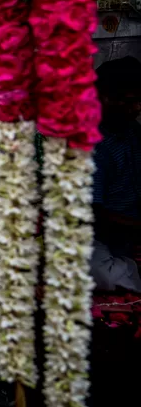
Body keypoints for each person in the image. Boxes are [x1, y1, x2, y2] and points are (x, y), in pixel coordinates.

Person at [91, 57, 141, 292]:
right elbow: (93, 214)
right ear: (104, 99)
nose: (137, 108)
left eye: (139, 101)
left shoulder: (133, 133)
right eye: (130, 102)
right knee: (101, 273)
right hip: (98, 237)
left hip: (130, 233)